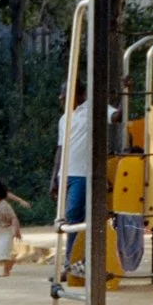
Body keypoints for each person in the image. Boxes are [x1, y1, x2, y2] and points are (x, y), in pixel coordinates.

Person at [55, 85, 92, 240]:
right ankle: (74, 255)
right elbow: (60, 148)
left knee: (73, 214)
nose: (62, 99)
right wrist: (54, 178)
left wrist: (126, 91)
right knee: (67, 217)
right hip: (65, 174)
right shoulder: (64, 119)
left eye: (66, 95)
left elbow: (116, 116)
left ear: (79, 94)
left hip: (81, 174)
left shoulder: (92, 110)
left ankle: (71, 258)